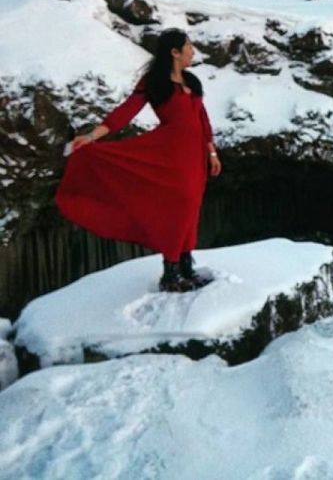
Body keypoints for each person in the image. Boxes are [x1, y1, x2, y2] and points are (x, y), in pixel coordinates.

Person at [55, 28, 222, 292]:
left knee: (192, 208)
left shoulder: (192, 81)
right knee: (180, 208)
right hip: (170, 155)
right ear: (174, 52)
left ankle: (186, 266)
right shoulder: (154, 83)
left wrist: (211, 151)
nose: (193, 51)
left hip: (195, 156)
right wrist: (92, 136)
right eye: (189, 46)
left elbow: (202, 119)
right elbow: (125, 112)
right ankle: (171, 273)